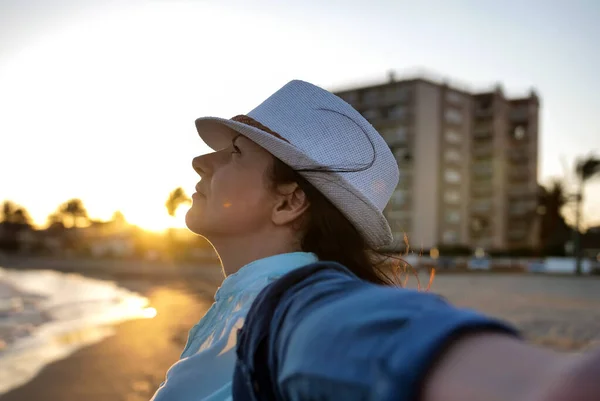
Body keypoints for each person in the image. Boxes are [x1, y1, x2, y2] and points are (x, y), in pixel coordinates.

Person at [151, 80, 600, 401]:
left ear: (289, 202)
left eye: (234, 153)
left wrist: (546, 384)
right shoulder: (242, 303)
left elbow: (350, 331)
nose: (200, 161)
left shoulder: (296, 307)